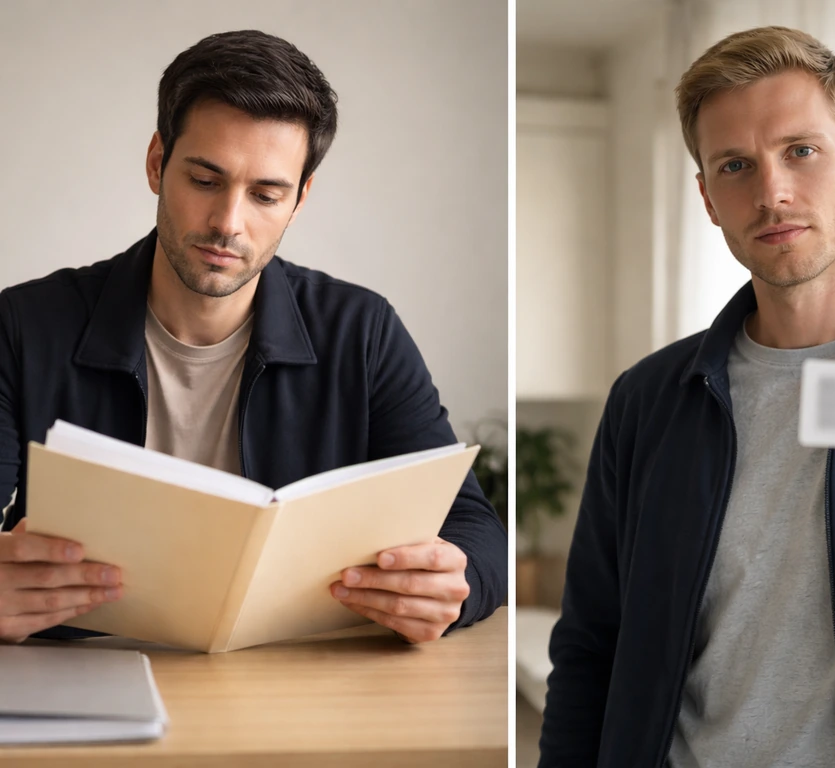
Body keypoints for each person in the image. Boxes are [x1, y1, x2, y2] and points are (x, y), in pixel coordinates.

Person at [540, 25, 835, 767]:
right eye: (736, 165)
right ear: (707, 198)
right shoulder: (648, 401)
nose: (772, 192)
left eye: (801, 151)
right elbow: (590, 649)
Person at [0, 30, 506, 647]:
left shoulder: (363, 331)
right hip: (84, 676)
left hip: (296, 683)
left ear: (300, 199)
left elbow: (473, 528)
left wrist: (456, 583)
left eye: (266, 194)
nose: (228, 224)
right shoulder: (23, 326)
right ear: (158, 162)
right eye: (206, 181)